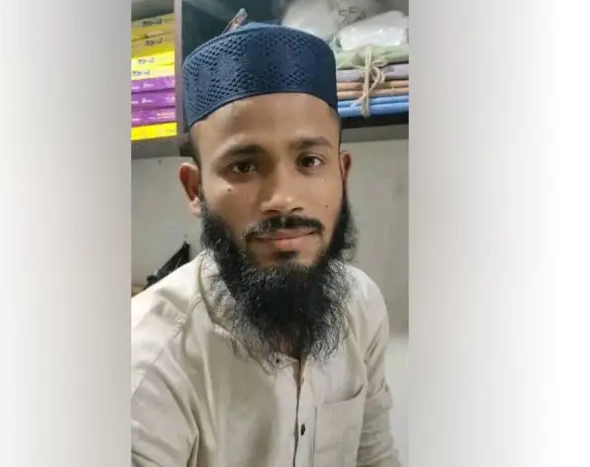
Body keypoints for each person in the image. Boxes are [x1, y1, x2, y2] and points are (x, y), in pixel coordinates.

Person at [131, 22, 400, 467]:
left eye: (309, 161)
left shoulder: (362, 306)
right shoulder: (147, 362)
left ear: (342, 174)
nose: (283, 198)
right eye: (243, 166)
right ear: (196, 189)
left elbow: (375, 457)